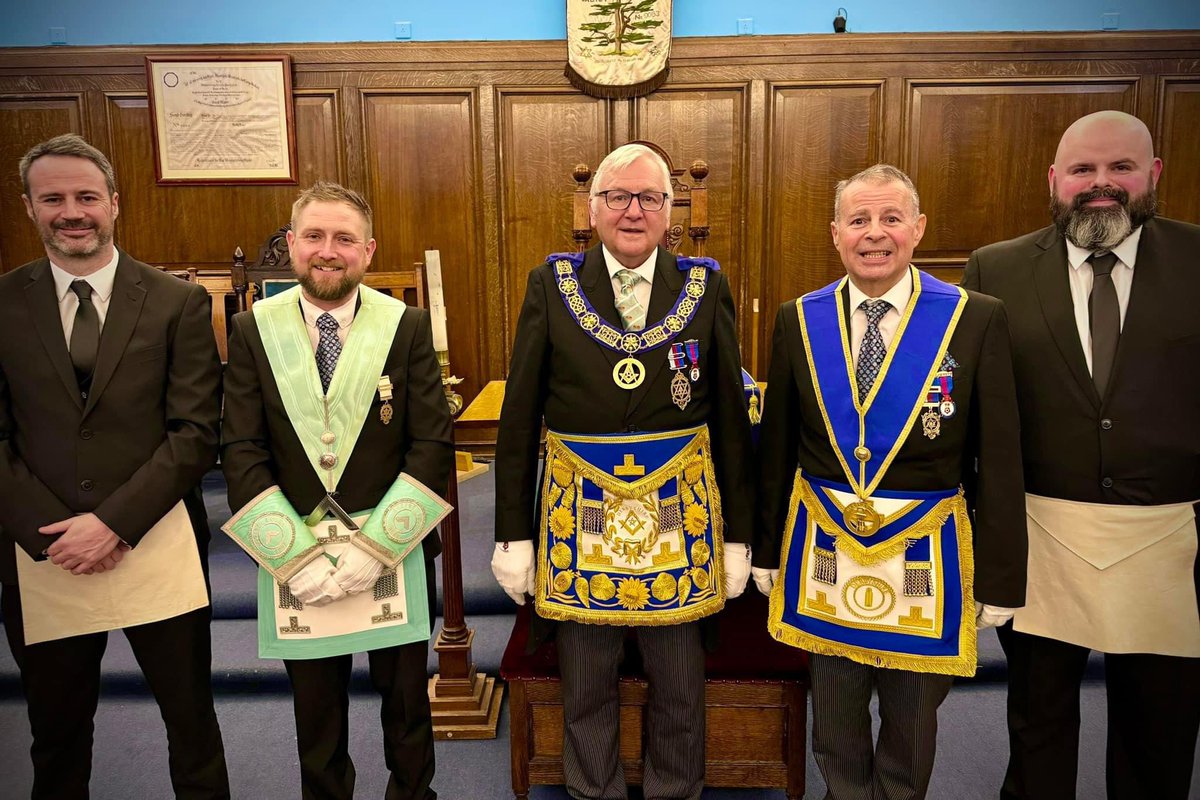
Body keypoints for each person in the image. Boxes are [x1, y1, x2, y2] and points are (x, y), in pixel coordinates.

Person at [490, 142, 756, 800]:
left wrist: (739, 537)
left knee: (678, 691)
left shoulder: (705, 287)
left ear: (669, 211)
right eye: (618, 196)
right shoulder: (550, 287)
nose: (632, 210)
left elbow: (729, 418)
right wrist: (512, 536)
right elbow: (519, 419)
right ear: (592, 207)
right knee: (584, 691)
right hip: (578, 523)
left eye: (649, 198)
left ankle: (674, 793)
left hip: (679, 523)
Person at [754, 163, 1027, 800]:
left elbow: (1000, 458)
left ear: (918, 228)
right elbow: (778, 450)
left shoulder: (974, 318)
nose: (874, 234)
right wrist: (766, 549)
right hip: (826, 552)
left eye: (891, 218)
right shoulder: (800, 319)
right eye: (859, 220)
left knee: (909, 721)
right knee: (836, 720)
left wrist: (1002, 575)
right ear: (835, 233)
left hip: (925, 558)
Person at [961, 110, 1200, 800]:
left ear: (1152, 174)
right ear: (1055, 181)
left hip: (1171, 543)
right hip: (1041, 538)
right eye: (1083, 170)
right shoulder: (995, 269)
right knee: (1038, 725)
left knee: (1158, 732)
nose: (1101, 185)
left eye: (1120, 168)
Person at [0, 134, 229, 798]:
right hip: (41, 552)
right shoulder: (3, 305)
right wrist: (54, 530)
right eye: (54, 199)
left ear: (114, 204)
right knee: (57, 736)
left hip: (157, 540)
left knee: (192, 729)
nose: (72, 211)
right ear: (29, 207)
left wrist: (113, 523)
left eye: (86, 197)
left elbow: (195, 432)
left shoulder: (175, 303)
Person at [221, 180, 453, 800]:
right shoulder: (252, 331)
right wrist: (291, 557)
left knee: (406, 706)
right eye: (315, 236)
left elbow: (430, 445)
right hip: (293, 550)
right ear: (294, 244)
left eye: (344, 239)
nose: (329, 251)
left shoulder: (404, 326)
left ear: (368, 250)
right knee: (316, 715)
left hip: (392, 553)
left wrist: (376, 548)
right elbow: (241, 449)